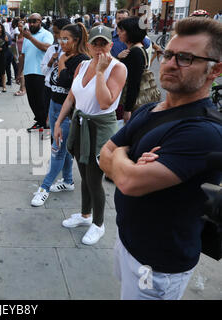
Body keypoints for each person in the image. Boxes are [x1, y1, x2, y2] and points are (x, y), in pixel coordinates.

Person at [99, 17, 222, 300]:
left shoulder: (205, 132)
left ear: (215, 69)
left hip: (158, 263)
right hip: (127, 239)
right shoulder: (150, 110)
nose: (169, 63)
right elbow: (102, 157)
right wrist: (125, 160)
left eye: (186, 58)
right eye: (168, 54)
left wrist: (121, 154)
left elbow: (126, 180)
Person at [54, 26, 127, 245]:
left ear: (110, 45)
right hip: (80, 122)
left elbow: (106, 102)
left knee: (94, 179)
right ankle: (86, 215)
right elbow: (71, 96)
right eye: (94, 43)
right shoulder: (83, 64)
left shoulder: (117, 68)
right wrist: (58, 123)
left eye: (103, 43)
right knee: (83, 174)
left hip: (101, 126)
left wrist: (100, 72)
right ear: (88, 45)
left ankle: (99, 224)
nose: (98, 48)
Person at [31, 23, 91, 207]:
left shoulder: (82, 60)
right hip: (54, 104)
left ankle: (45, 188)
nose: (62, 42)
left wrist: (62, 62)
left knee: (57, 149)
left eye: (66, 39)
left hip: (69, 110)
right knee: (62, 148)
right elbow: (52, 82)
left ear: (76, 40)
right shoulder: (64, 55)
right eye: (60, 38)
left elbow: (67, 82)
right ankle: (68, 181)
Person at [17, 13, 54, 132]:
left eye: (35, 21)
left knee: (42, 101)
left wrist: (30, 38)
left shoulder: (46, 34)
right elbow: (22, 55)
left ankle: (45, 123)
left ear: (40, 21)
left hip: (41, 73)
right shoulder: (27, 36)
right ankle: (40, 121)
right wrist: (19, 72)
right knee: (32, 101)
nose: (32, 24)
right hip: (28, 72)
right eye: (30, 21)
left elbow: (46, 47)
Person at [40, 18, 70, 131]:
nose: (55, 35)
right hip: (49, 89)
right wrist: (51, 62)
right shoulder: (52, 49)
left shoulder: (75, 54)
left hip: (64, 91)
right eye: (54, 32)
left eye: (57, 32)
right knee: (51, 121)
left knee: (63, 124)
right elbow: (43, 71)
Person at [117, 16, 148, 122]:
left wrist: (127, 109)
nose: (119, 33)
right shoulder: (137, 49)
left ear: (131, 32)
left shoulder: (135, 52)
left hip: (131, 103)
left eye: (122, 31)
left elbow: (133, 83)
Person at [14, 19, 26, 96]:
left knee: (22, 72)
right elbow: (16, 46)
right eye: (18, 26)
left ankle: (22, 89)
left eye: (21, 26)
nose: (19, 28)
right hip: (19, 54)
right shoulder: (18, 35)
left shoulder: (26, 35)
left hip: (24, 54)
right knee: (21, 71)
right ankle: (22, 88)